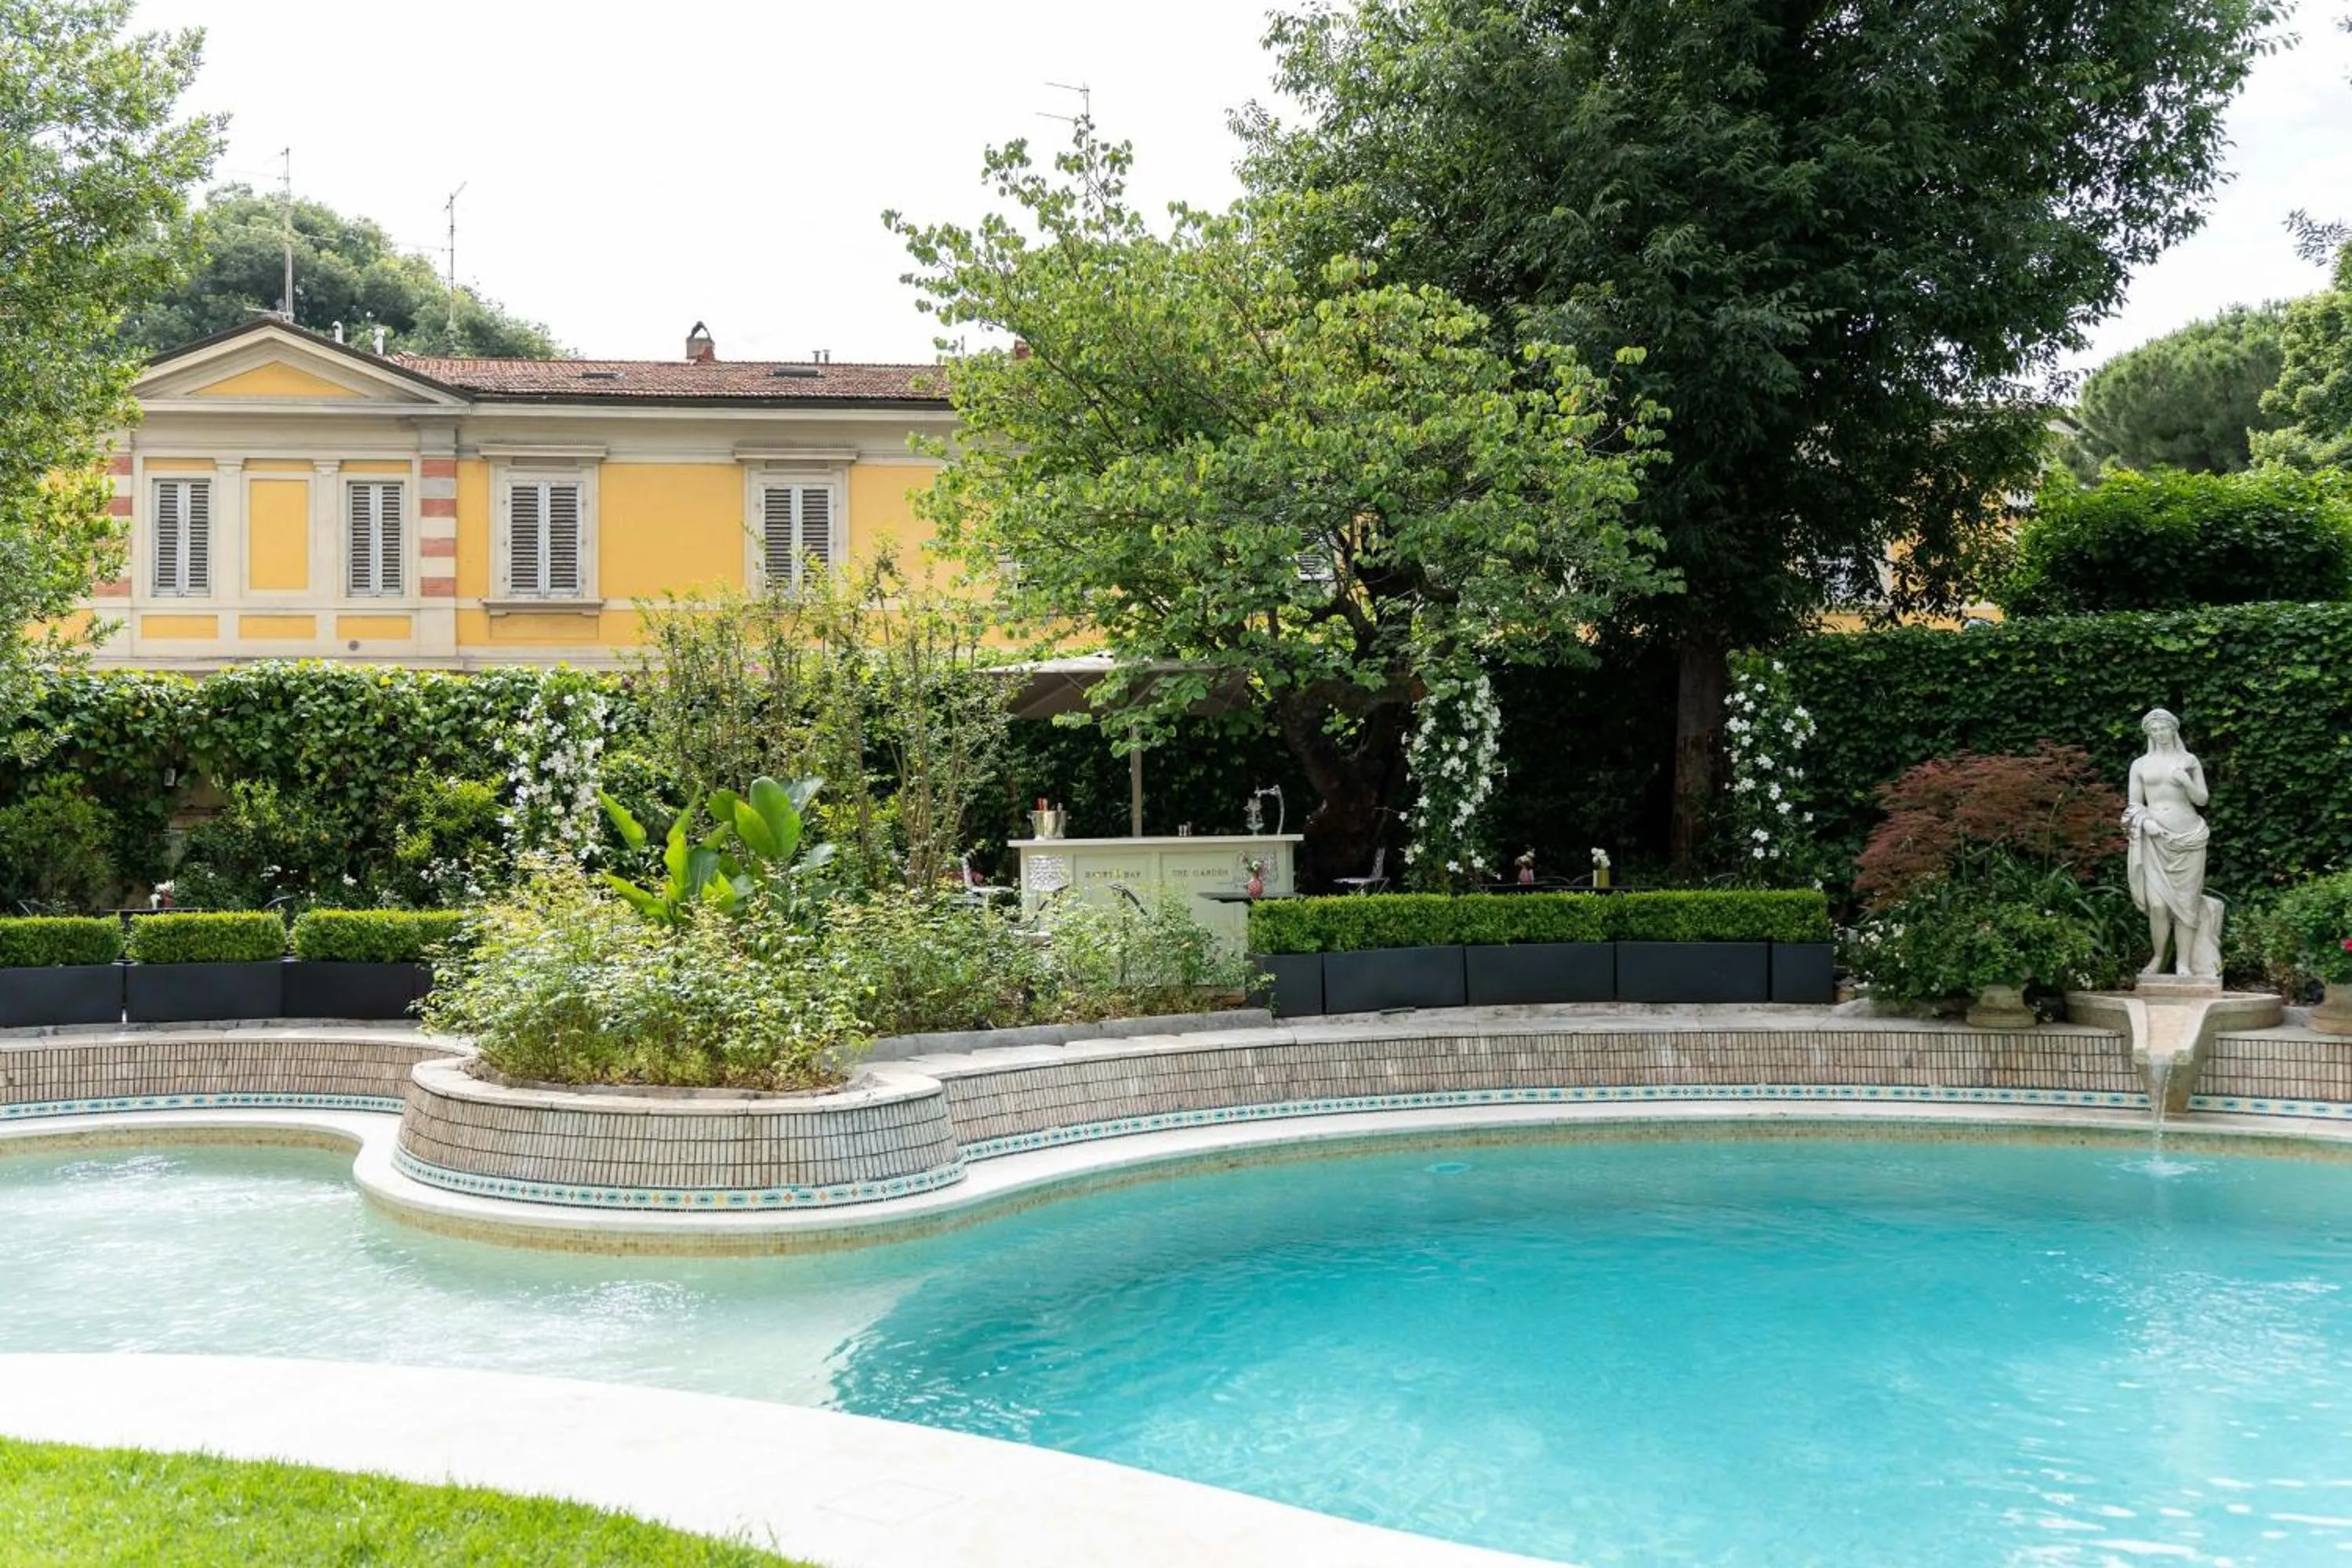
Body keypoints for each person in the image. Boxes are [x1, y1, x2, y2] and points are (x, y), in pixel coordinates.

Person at [2124, 708, 2222, 979]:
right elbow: (2133, 806)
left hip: (2189, 837)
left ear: (2173, 729)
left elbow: (2202, 799)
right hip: (2156, 840)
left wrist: (2186, 782)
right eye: (2153, 730)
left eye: (2163, 728)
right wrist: (2145, 823)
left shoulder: (2189, 760)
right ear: (2148, 733)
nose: (2159, 733)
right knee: (2158, 905)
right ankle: (2157, 957)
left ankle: (2183, 963)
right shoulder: (2140, 765)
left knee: (2187, 904)